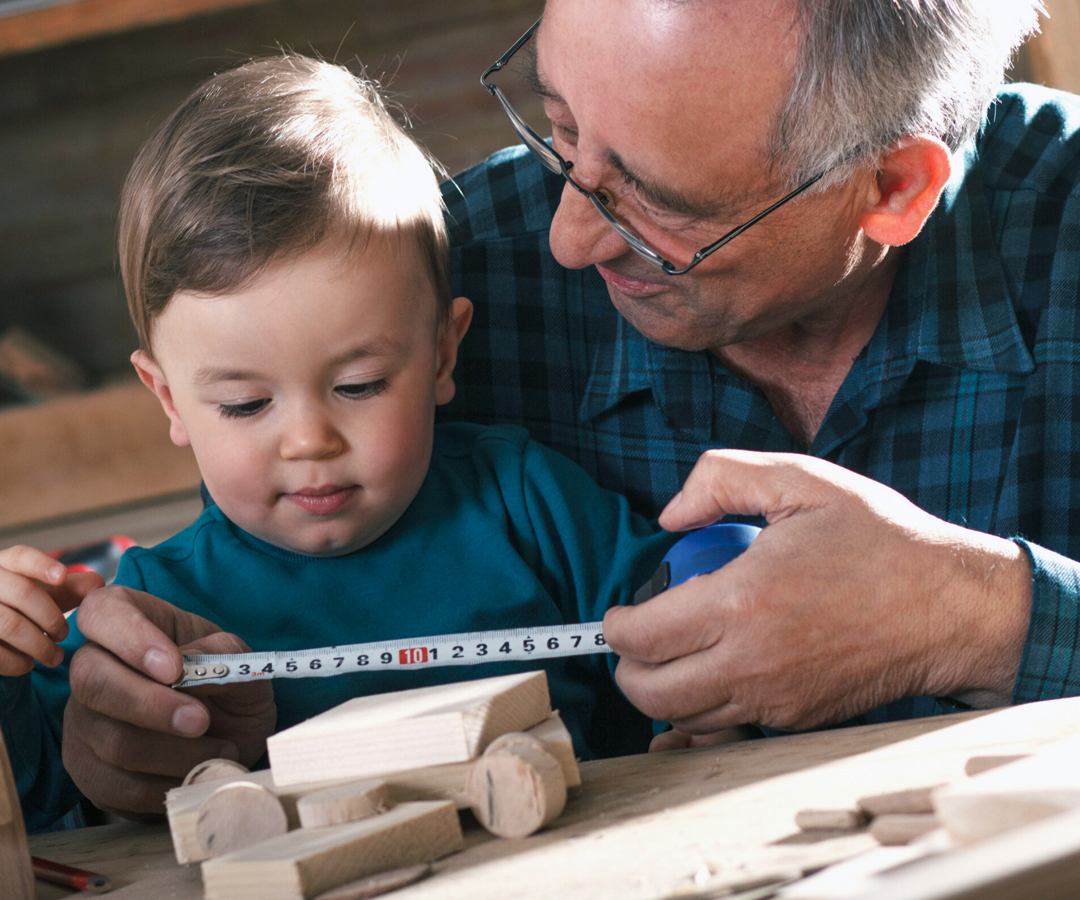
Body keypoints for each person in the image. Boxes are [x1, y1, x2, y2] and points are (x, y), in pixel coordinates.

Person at [0, 54, 674, 830]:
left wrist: (690, 717)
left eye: (358, 386)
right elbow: (43, 808)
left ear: (443, 355)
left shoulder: (529, 500)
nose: (310, 440)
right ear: (168, 399)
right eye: (246, 403)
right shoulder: (149, 612)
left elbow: (679, 633)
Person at [440, 0, 1078, 747]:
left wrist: (968, 615)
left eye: (658, 198)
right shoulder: (442, 284)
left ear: (893, 188)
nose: (569, 241)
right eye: (562, 128)